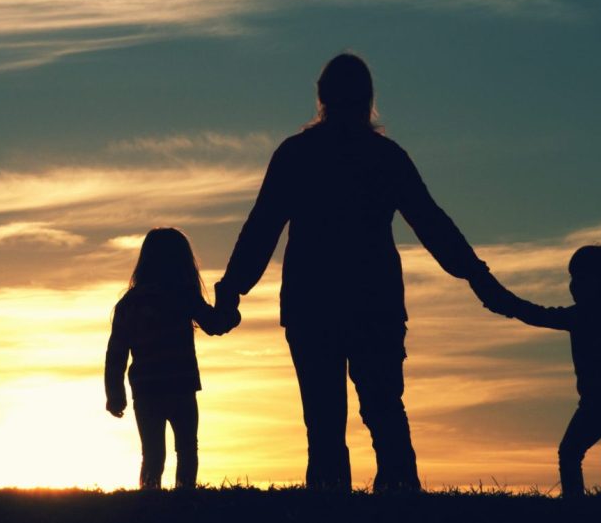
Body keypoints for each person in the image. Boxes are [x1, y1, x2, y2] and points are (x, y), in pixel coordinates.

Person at [214, 53, 499, 493]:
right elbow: (431, 222)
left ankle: (333, 502)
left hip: (313, 302)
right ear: (368, 99)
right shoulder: (384, 156)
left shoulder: (297, 154)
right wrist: (477, 276)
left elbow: (263, 226)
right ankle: (400, 499)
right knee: (384, 409)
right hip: (373, 300)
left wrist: (233, 289)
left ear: (321, 97)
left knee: (325, 421)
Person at [475, 245, 601, 498]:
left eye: (581, 277)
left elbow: (537, 315)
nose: (573, 285)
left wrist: (501, 300)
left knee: (571, 453)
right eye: (572, 278)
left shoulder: (588, 315)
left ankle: (575, 507)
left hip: (600, 404)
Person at [104, 227, 240, 489]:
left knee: (153, 453)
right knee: (187, 448)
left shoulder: (129, 304)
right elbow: (213, 324)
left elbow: (116, 355)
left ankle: (150, 497)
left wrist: (115, 394)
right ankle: (185, 496)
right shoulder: (182, 296)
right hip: (181, 385)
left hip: (146, 390)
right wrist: (231, 312)